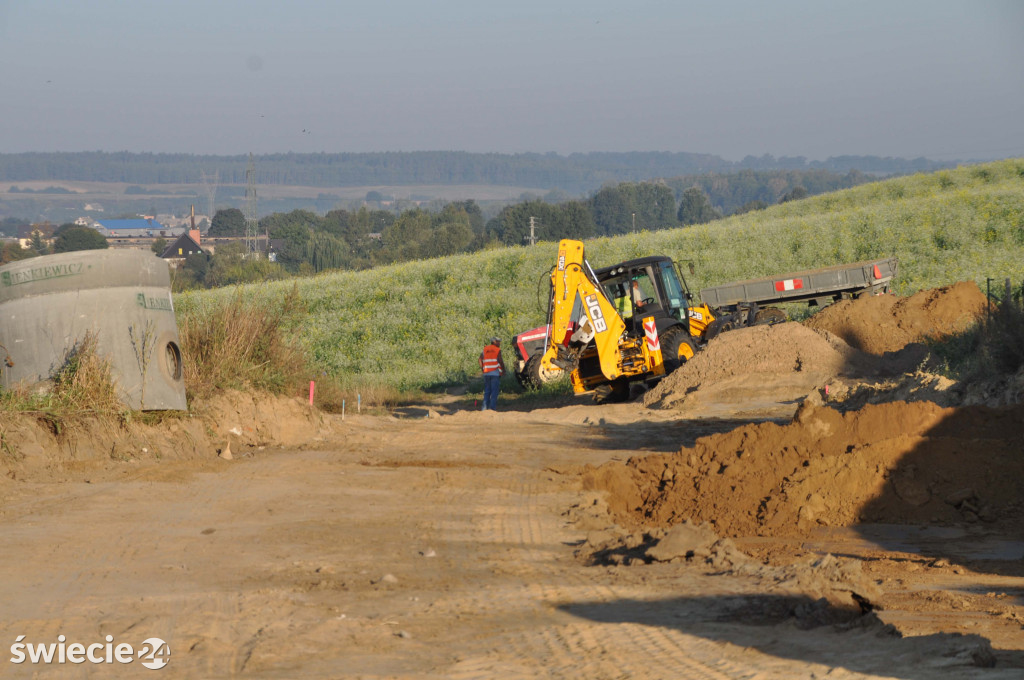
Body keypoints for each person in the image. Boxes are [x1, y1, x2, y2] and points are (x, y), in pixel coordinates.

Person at [479, 336, 506, 410]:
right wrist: (504, 370)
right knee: (494, 392)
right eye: (498, 341)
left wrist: (483, 369)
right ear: (494, 342)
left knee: (487, 391)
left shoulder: (485, 349)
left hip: (486, 373)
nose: (499, 343)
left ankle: (484, 408)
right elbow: (500, 361)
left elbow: (479, 360)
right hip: (495, 373)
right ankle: (492, 408)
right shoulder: (497, 350)